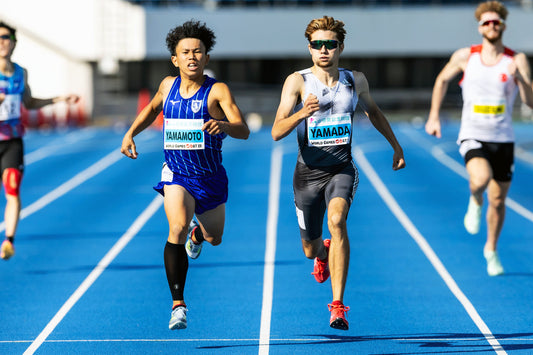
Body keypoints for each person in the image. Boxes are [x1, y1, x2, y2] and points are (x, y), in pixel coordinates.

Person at [271, 16, 405, 330]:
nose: (324, 50)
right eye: (317, 44)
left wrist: (396, 147)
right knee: (309, 249)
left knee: (337, 221)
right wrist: (302, 113)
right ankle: (322, 253)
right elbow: (276, 131)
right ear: (309, 48)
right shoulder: (297, 82)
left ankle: (337, 306)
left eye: (330, 44)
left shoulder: (354, 80)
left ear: (340, 47)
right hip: (307, 175)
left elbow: (374, 112)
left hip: (341, 169)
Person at [120, 20, 249, 330]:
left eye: (198, 52)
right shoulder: (167, 86)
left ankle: (197, 234)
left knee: (213, 238)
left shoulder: (217, 90)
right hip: (177, 173)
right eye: (185, 52)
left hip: (210, 177)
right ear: (175, 59)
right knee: (175, 226)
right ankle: (178, 304)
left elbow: (243, 129)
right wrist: (130, 133)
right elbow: (152, 108)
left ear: (206, 58)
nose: (192, 57)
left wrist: (225, 127)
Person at [425, 1, 533, 277]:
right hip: (473, 134)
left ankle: (491, 250)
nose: (492, 26)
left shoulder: (516, 59)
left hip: (503, 139)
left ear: (503, 26)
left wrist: (521, 78)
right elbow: (441, 81)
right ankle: (475, 199)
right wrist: (434, 116)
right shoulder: (465, 56)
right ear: (480, 27)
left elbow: (529, 102)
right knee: (480, 179)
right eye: (487, 22)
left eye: (496, 22)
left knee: (498, 201)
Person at [0, 22, 79, 260]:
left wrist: (59, 99)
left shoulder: (21, 73)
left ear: (14, 42)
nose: (2, 41)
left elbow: (29, 103)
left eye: (6, 37)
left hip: (12, 141)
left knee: (12, 191)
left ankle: (8, 241)